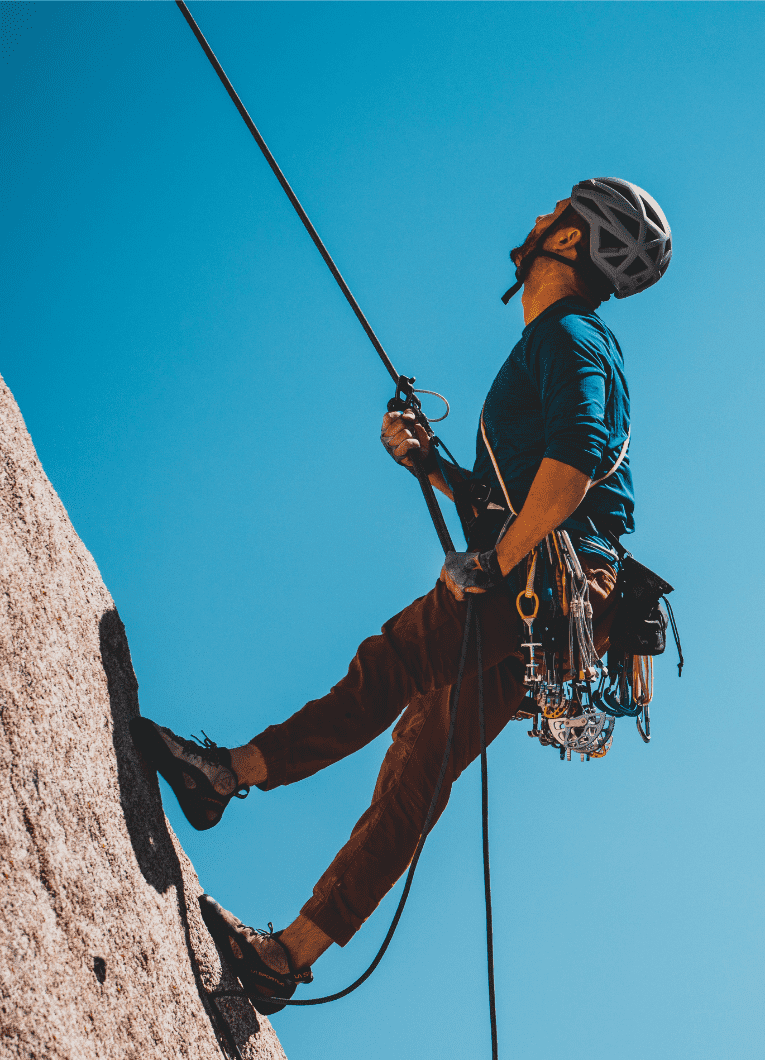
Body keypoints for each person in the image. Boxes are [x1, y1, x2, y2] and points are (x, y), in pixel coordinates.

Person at [133, 177, 672, 1013]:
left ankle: (221, 775)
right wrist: (430, 466)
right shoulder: (560, 342)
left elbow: (572, 466)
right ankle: (287, 957)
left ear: (569, 242)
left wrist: (495, 564)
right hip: (567, 607)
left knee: (386, 669)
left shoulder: (569, 338)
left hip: (541, 583)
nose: (534, 218)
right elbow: (527, 490)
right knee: (418, 765)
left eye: (552, 213)